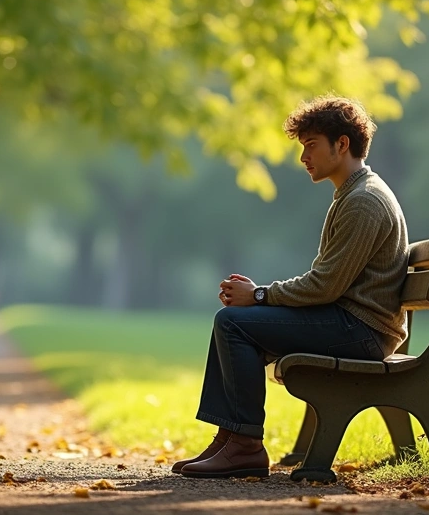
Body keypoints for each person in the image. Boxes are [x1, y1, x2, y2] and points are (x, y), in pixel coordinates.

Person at [174, 95, 410, 479]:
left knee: (233, 322)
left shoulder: (364, 201)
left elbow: (326, 286)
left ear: (342, 144)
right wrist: (257, 299)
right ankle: (231, 437)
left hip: (361, 331)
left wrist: (260, 295)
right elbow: (328, 285)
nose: (304, 157)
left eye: (311, 145)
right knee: (234, 319)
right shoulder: (354, 194)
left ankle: (244, 445)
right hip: (350, 324)